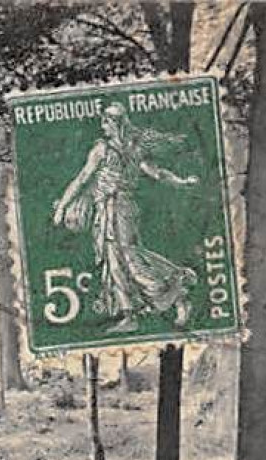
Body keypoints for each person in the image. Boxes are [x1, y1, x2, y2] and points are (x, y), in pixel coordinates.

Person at [52, 103, 199, 333]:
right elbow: (157, 173)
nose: (103, 127)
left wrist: (62, 207)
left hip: (117, 209)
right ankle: (131, 313)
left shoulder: (107, 150)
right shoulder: (132, 148)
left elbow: (82, 179)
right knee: (116, 261)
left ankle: (175, 289)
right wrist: (182, 182)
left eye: (106, 122)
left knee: (129, 258)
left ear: (115, 124)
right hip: (111, 209)